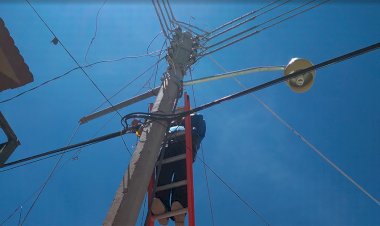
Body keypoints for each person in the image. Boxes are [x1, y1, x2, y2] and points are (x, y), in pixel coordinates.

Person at [152, 113, 206, 226]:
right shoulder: (169, 125)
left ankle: (179, 203)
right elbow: (154, 130)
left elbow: (199, 123)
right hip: (167, 145)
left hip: (185, 144)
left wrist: (186, 118)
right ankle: (161, 201)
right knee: (162, 171)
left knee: (182, 174)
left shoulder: (193, 120)